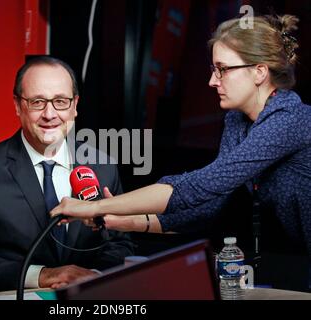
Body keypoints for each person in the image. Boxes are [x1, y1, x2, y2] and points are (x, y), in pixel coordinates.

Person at [51, 15, 311, 290]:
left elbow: (200, 186)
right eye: (214, 68)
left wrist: (95, 206)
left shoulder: (290, 119)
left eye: (223, 69)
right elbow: (209, 205)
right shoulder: (238, 122)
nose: (213, 80)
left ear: (260, 71)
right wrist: (127, 221)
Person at [0, 56, 134, 293]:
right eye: (37, 102)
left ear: (75, 106)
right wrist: (44, 275)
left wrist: (93, 277)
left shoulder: (102, 166)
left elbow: (120, 242)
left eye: (60, 101)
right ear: (17, 105)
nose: (49, 113)